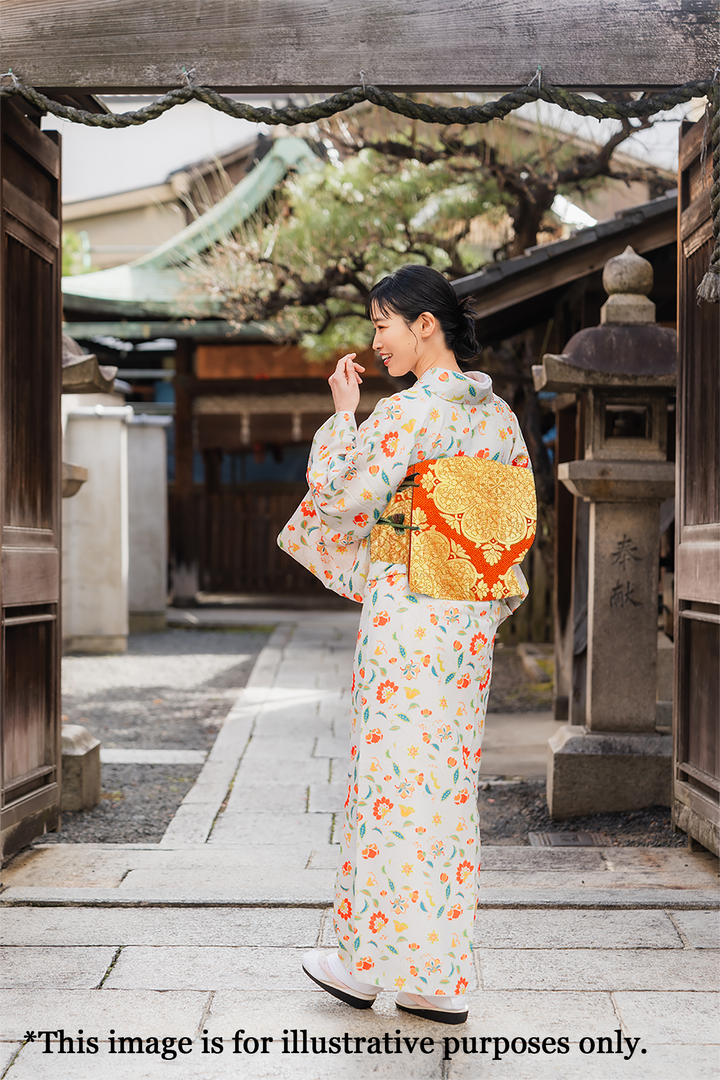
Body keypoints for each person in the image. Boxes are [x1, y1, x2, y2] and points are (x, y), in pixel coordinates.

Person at [278, 263, 534, 1024]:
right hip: (463, 630)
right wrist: (472, 602)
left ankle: (365, 965)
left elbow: (338, 498)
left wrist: (342, 413)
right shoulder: (500, 419)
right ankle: (436, 979)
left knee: (388, 791)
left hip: (407, 623)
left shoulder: (408, 413)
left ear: (426, 325)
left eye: (384, 323)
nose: (377, 339)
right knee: (446, 795)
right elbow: (512, 535)